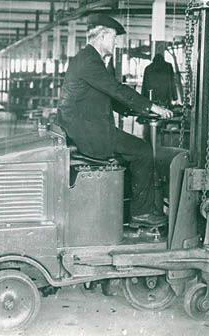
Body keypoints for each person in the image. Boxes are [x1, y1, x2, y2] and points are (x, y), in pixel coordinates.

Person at [57, 14, 172, 227]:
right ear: (103, 35)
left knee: (133, 150)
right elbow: (116, 89)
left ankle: (129, 204)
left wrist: (134, 111)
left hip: (85, 126)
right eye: (114, 38)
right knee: (143, 151)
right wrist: (150, 106)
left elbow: (108, 95)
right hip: (87, 131)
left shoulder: (91, 59)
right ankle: (141, 213)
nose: (116, 43)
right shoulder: (89, 61)